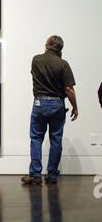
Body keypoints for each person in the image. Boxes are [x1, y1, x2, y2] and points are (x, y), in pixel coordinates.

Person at [21, 35, 78, 186]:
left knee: (36, 139)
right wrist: (75, 107)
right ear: (61, 49)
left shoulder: (36, 60)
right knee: (56, 140)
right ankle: (52, 175)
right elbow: (69, 89)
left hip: (39, 103)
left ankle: (35, 175)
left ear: (47, 45)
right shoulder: (63, 64)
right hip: (57, 104)